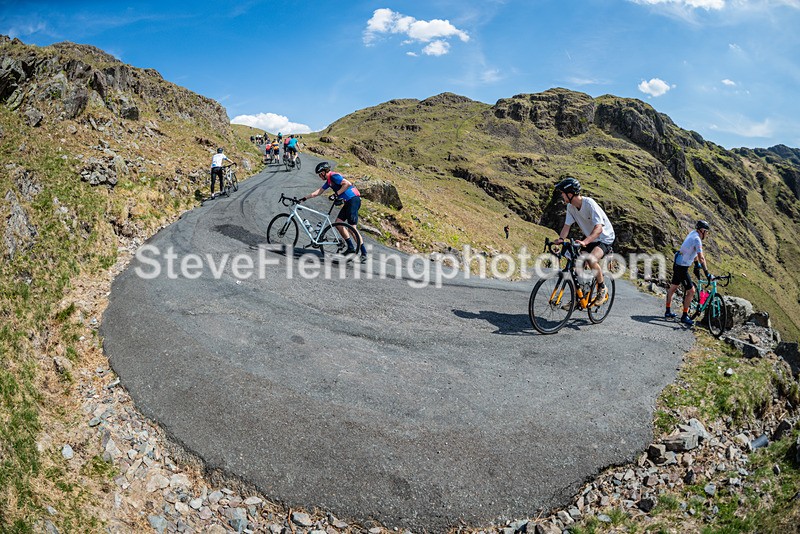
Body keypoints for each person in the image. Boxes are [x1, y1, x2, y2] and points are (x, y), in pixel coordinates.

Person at [553, 176, 615, 304]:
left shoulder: (589, 204)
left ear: (570, 194)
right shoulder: (570, 207)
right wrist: (560, 239)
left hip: (605, 237)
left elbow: (599, 229)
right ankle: (580, 296)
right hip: (590, 238)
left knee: (591, 259)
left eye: (563, 194)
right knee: (577, 264)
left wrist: (585, 242)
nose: (562, 197)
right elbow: (566, 226)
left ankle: (602, 288)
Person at [300, 161, 367, 262]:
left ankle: (364, 253)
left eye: (319, 174)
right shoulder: (329, 181)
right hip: (348, 202)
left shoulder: (334, 176)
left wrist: (336, 194)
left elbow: (347, 184)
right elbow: (318, 192)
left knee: (352, 228)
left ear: (323, 172)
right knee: (338, 223)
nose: (319, 176)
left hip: (353, 200)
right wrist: (304, 198)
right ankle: (350, 248)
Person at [665, 220, 712, 326]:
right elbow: (701, 257)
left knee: (673, 288)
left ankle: (668, 311)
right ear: (702, 230)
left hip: (677, 263)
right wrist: (707, 272)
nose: (707, 234)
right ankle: (684, 316)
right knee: (691, 291)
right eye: (706, 232)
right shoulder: (697, 239)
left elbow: (692, 251)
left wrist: (696, 264)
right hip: (682, 267)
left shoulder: (692, 233)